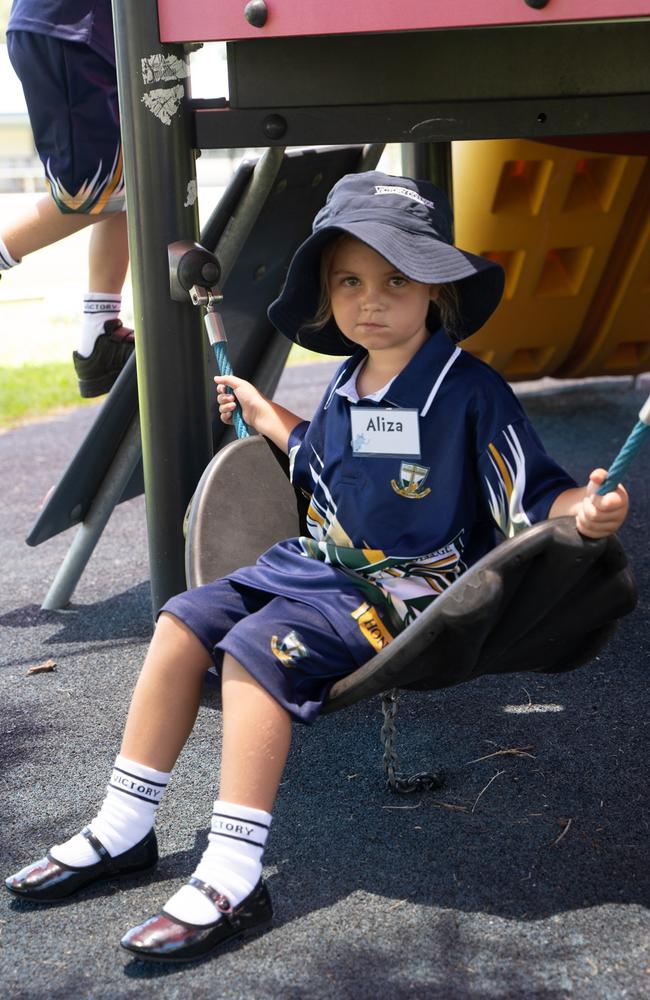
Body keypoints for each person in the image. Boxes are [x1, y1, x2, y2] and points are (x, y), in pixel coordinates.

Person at [5, 171, 629, 962]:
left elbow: (536, 493)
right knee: (180, 622)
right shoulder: (345, 382)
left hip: (404, 593)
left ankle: (234, 870)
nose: (371, 300)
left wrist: (588, 509)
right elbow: (323, 459)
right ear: (329, 294)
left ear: (436, 288)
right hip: (311, 569)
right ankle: (124, 823)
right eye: (350, 281)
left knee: (254, 652)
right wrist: (263, 414)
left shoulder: (470, 393)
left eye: (396, 279)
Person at [1, 0, 133, 398]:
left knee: (135, 176)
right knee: (90, 193)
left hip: (88, 35)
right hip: (69, 31)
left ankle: (100, 334)